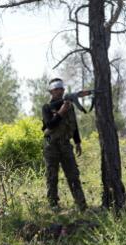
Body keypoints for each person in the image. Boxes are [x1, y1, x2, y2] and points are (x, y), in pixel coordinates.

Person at [41, 78, 90, 211]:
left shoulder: (69, 106)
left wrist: (78, 142)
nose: (60, 91)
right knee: (52, 176)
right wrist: (61, 112)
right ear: (51, 91)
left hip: (66, 145)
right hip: (51, 146)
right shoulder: (47, 107)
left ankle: (81, 204)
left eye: (62, 89)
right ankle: (53, 205)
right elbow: (50, 124)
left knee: (73, 175)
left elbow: (74, 125)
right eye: (57, 89)